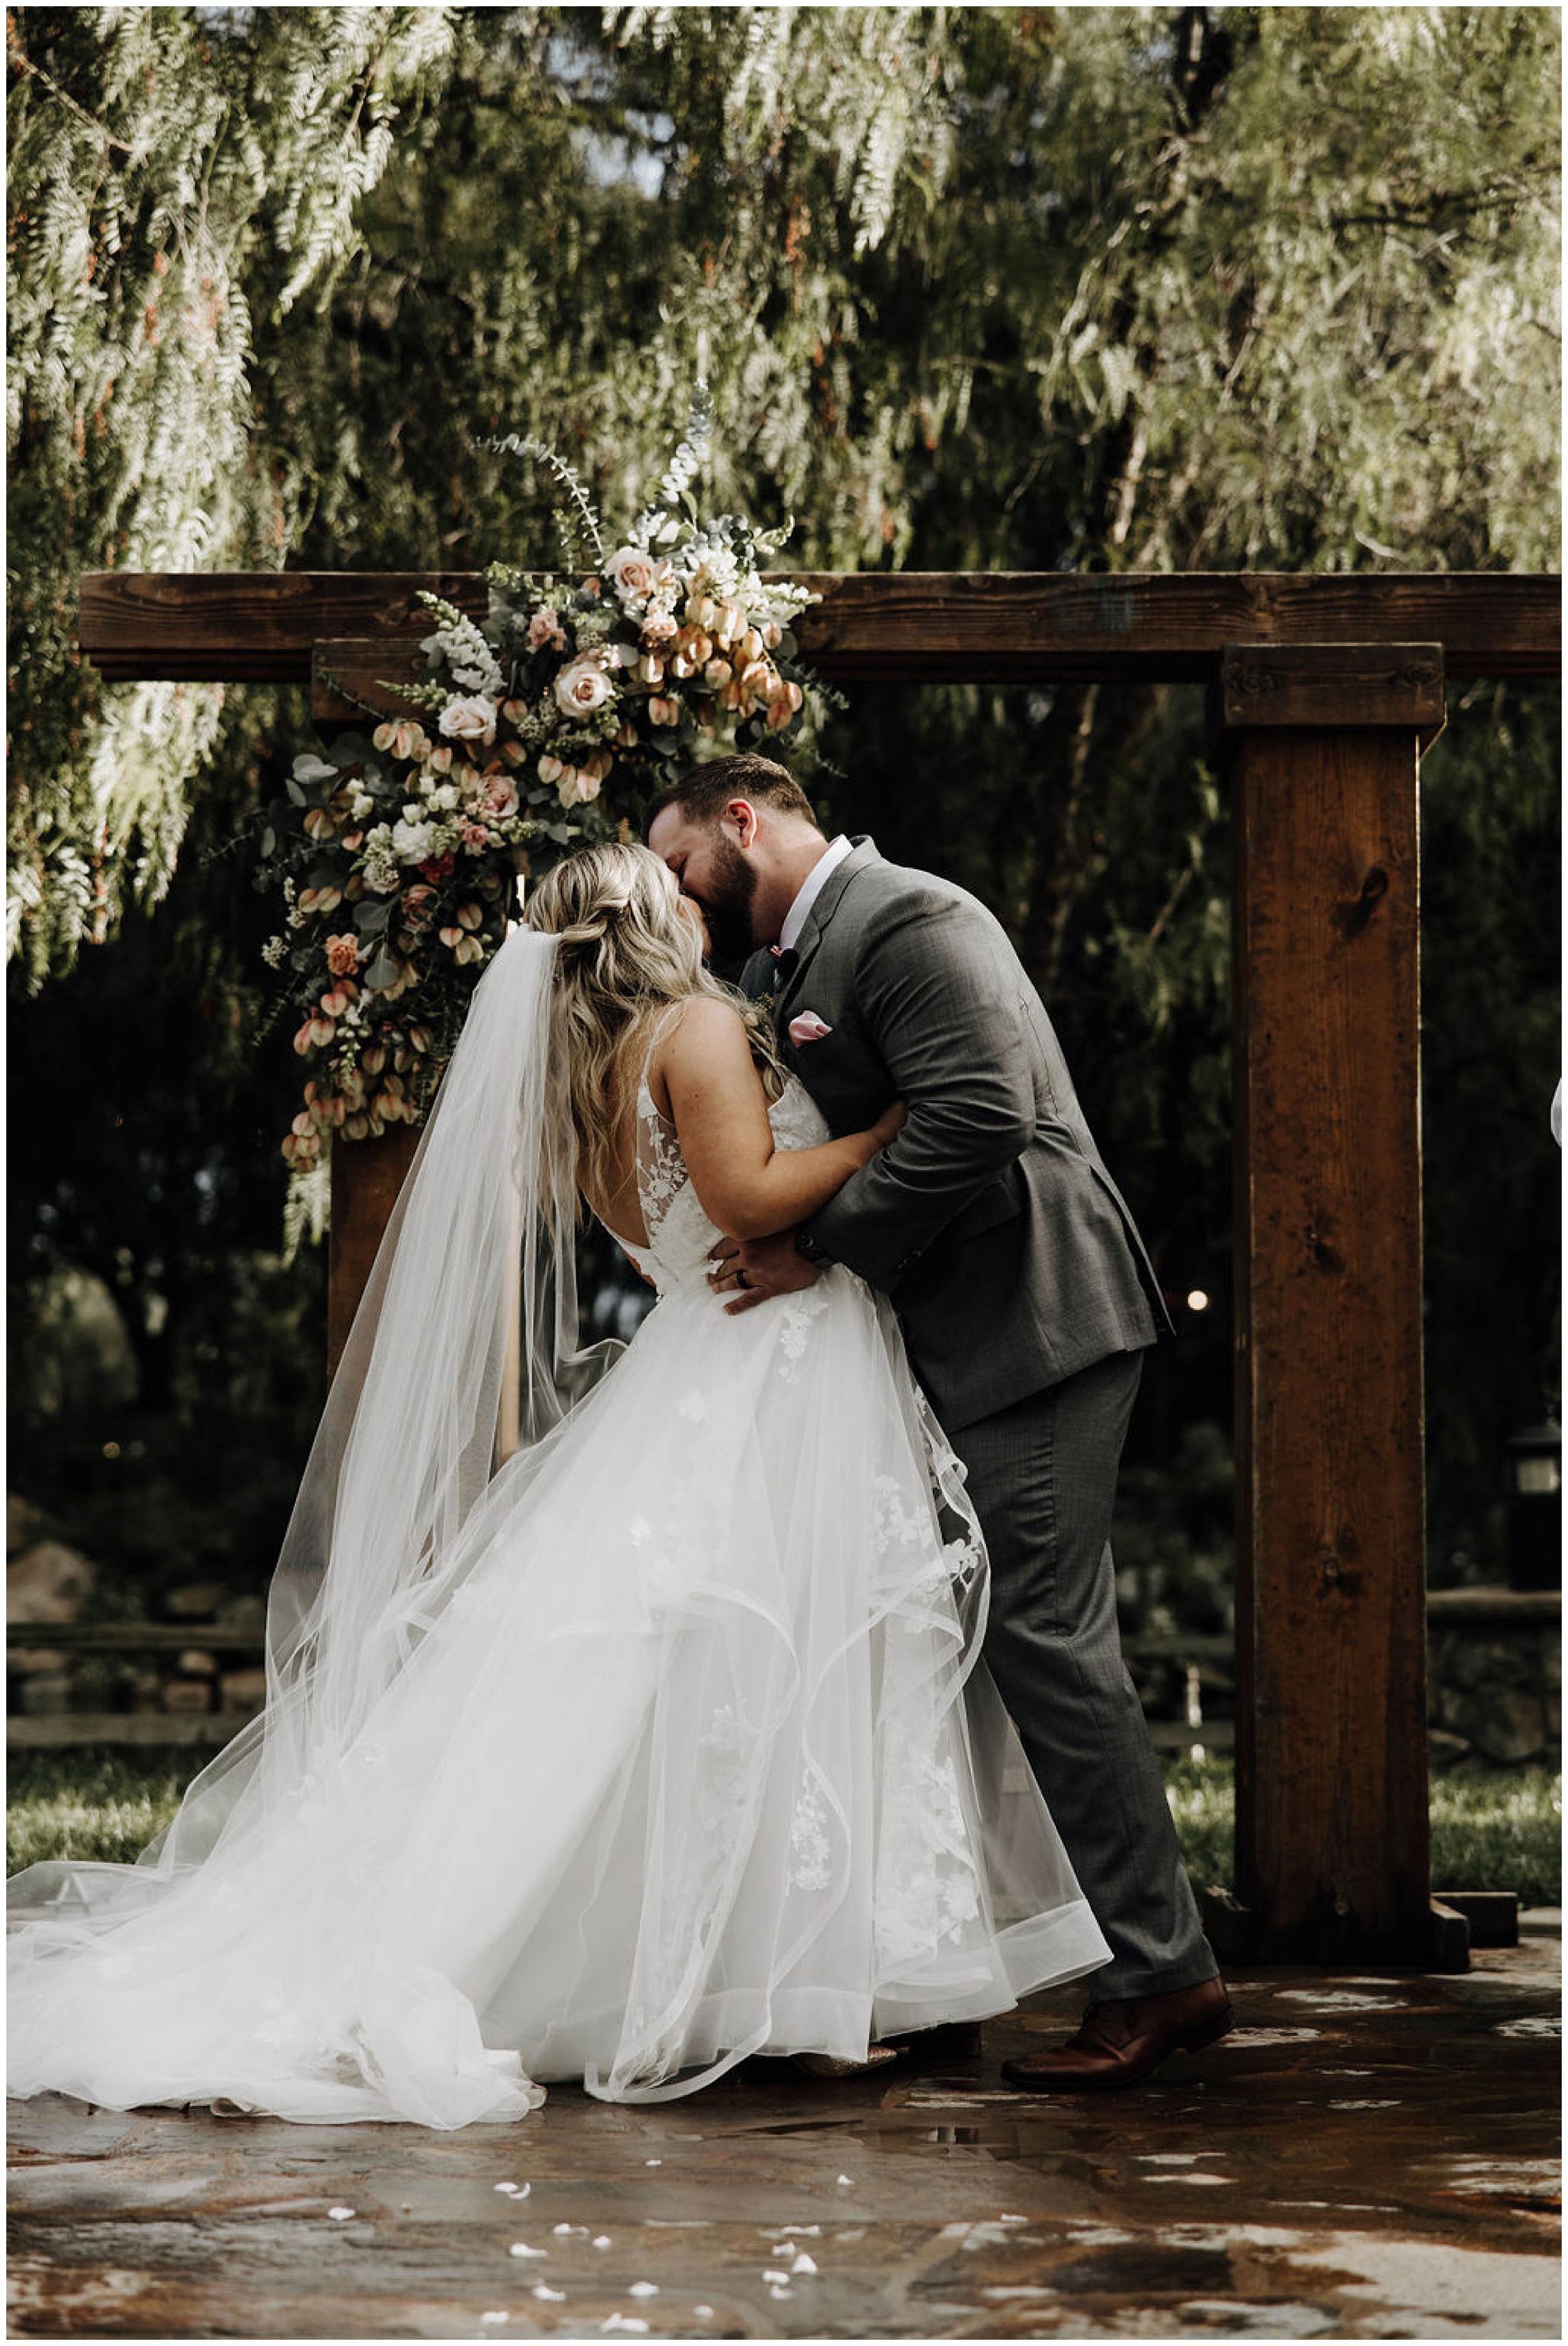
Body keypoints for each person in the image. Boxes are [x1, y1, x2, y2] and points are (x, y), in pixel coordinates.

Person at [7, 843, 1112, 2128]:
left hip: (706, 1360)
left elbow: (668, 1229)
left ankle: (793, 1980)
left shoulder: (578, 1074)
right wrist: (879, 1134)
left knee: (720, 1677)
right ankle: (792, 1993)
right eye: (676, 893)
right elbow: (747, 1197)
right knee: (783, 1662)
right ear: (644, 922)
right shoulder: (694, 1029)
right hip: (773, 1367)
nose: (699, 908)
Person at [647, 758, 1234, 2090]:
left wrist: (818, 1245)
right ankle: (954, 1961)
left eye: (680, 862)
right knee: (954, 1638)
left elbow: (981, 1111)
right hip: (960, 1338)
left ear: (743, 820)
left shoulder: (910, 918)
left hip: (1036, 1321)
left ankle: (1165, 1976)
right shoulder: (789, 963)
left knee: (1043, 1636)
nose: (676, 893)